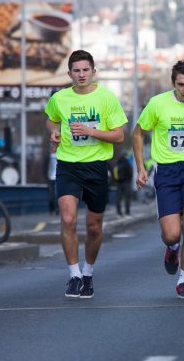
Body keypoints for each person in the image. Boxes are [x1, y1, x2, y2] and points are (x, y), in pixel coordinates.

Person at [45, 50, 127, 298]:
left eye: (85, 70)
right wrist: (54, 132)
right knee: (68, 219)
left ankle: (88, 273)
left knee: (94, 226)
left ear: (94, 71)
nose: (81, 75)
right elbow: (51, 118)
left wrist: (92, 132)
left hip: (96, 167)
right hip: (68, 165)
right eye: (76, 71)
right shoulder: (60, 98)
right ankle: (74, 275)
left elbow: (119, 135)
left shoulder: (106, 98)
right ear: (69, 74)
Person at [133, 60, 184, 299]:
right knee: (172, 233)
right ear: (174, 84)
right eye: (181, 84)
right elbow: (138, 133)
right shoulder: (158, 104)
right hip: (167, 171)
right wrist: (141, 167)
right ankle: (172, 248)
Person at [112, 151, 133, 216]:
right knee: (127, 198)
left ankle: (119, 212)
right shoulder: (127, 163)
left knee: (118, 198)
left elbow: (114, 173)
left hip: (118, 183)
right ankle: (127, 212)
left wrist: (115, 181)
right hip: (126, 183)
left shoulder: (117, 163)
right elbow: (130, 173)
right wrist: (129, 180)